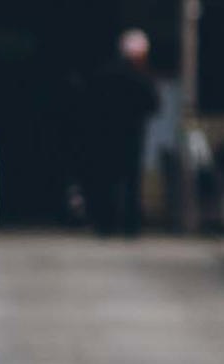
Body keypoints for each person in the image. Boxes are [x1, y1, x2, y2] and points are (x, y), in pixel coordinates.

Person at [81, 29, 160, 237]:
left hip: (105, 134)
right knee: (131, 182)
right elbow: (153, 104)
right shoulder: (142, 77)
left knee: (106, 179)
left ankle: (105, 224)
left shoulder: (105, 73)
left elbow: (90, 105)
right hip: (132, 135)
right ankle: (130, 226)